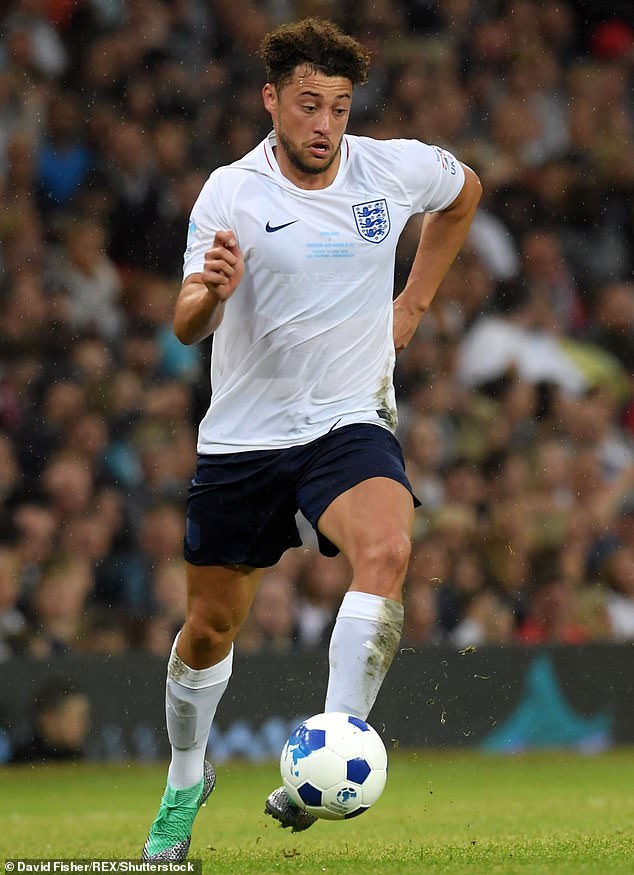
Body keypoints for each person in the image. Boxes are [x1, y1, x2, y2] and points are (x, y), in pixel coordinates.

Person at [142, 17, 481, 861]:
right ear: (272, 101)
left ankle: (325, 756)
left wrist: (414, 304)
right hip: (245, 441)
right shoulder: (231, 192)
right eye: (306, 104)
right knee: (209, 631)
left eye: (337, 105)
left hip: (348, 420)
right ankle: (188, 777)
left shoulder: (389, 167)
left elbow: (465, 192)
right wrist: (209, 294)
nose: (324, 123)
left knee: (389, 547)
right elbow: (186, 325)